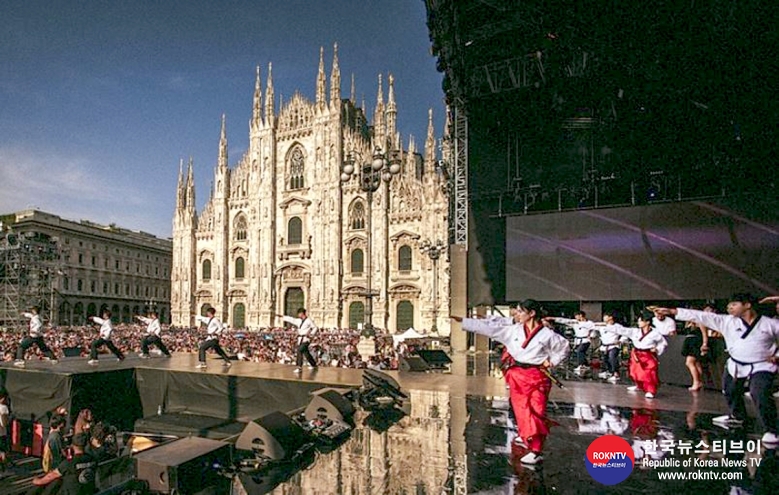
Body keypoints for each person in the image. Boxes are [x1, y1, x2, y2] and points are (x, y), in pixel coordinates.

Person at [453, 299, 569, 465]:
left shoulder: (547, 334)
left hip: (538, 376)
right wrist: (465, 322)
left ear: (532, 313)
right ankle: (525, 436)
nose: (517, 315)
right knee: (522, 410)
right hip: (517, 376)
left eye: (521, 312)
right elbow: (490, 329)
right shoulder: (513, 330)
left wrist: (552, 361)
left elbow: (563, 347)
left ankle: (536, 450)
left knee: (536, 412)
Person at [654, 293, 779, 444]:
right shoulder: (726, 321)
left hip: (762, 365)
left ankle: (772, 430)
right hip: (736, 364)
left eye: (734, 304)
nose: (729, 307)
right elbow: (700, 316)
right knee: (730, 390)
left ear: (747, 305)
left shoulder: (769, 324)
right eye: (729, 305)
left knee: (759, 392)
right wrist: (673, 312)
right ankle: (737, 417)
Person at [603, 310, 667, 398]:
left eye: (641, 321)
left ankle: (650, 391)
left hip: (648, 354)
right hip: (636, 353)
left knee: (649, 373)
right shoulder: (635, 331)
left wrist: (657, 349)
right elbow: (622, 330)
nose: (639, 322)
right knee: (635, 371)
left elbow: (663, 343)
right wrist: (607, 325)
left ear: (647, 322)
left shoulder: (655, 333)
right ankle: (639, 386)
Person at [29, 432, 97, 495]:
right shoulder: (93, 459)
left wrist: (38, 481)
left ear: (73, 445)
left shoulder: (69, 463)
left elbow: (52, 475)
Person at [681, 304, 714, 391]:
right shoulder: (689, 322)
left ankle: (696, 382)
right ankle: (700, 382)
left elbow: (704, 334)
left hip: (696, 343)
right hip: (689, 342)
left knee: (689, 362)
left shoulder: (700, 321)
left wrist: (704, 344)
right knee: (696, 363)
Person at [277, 308, 318, 373]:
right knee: (306, 352)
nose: (298, 315)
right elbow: (292, 319)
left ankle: (299, 367)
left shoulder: (309, 321)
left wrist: (311, 334)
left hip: (306, 338)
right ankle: (313, 364)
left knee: (300, 350)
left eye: (299, 314)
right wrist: (283, 316)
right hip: (300, 339)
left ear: (302, 313)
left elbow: (315, 327)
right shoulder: (299, 321)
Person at [597, 311, 622, 382]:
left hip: (613, 345)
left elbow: (625, 334)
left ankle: (616, 374)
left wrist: (620, 340)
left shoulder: (617, 326)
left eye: (605, 316)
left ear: (610, 317)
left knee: (612, 358)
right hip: (605, 346)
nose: (603, 318)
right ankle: (608, 371)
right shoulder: (602, 326)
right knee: (605, 359)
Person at [0, 389, 10, 474]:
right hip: (1, 433)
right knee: (3, 452)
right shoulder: (3, 408)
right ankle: (3, 470)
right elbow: (4, 423)